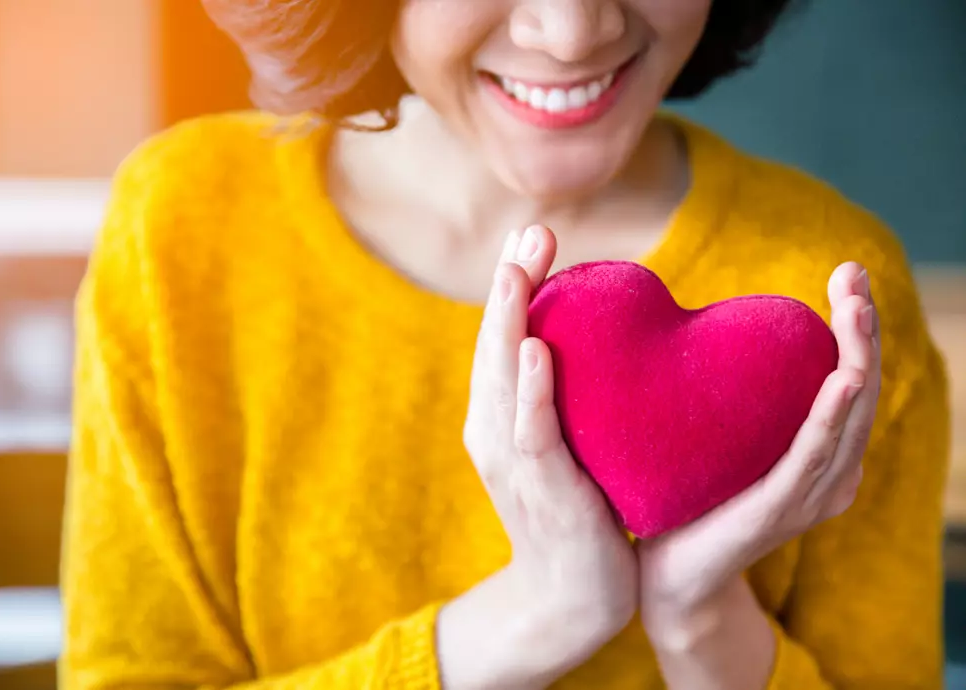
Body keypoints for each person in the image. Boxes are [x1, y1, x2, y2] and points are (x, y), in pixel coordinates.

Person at [59, 0, 951, 688]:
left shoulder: (835, 290)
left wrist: (700, 618)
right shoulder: (184, 228)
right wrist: (539, 616)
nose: (570, 32)